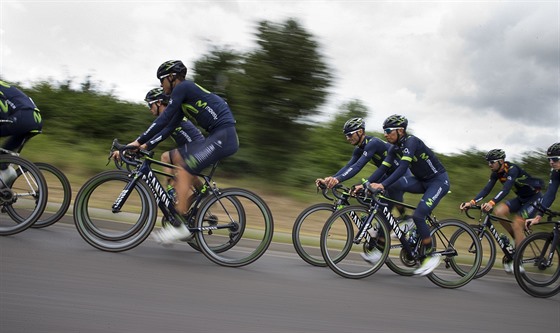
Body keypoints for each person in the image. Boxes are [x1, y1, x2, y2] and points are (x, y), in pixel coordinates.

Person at [127, 60, 239, 244]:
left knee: (185, 170)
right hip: (218, 135)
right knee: (181, 164)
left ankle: (180, 226)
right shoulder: (183, 98)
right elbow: (166, 126)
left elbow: (162, 121)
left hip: (223, 136)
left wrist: (138, 141)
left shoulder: (183, 87)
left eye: (161, 80)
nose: (161, 86)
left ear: (171, 77)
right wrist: (143, 145)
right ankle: (188, 210)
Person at [358, 114, 450, 276]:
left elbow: (401, 168)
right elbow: (383, 169)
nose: (385, 134)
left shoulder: (411, 142)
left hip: (438, 181)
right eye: (384, 131)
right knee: (391, 189)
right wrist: (365, 184)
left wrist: (381, 184)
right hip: (421, 180)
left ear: (400, 130)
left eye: (388, 131)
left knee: (419, 215)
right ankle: (381, 245)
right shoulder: (394, 148)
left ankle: (430, 255)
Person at [459, 149, 543, 272]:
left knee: (517, 223)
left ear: (501, 161)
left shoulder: (512, 169)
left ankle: (518, 260)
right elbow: (486, 189)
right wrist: (471, 202)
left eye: (492, 162)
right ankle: (516, 239)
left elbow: (506, 189)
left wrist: (491, 202)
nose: (489, 165)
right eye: (488, 162)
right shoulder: (495, 173)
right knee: (499, 211)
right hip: (521, 198)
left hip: (534, 198)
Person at [316, 117, 407, 215]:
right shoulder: (358, 149)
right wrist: (331, 179)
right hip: (386, 174)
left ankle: (400, 218)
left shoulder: (373, 143)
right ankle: (376, 217)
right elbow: (349, 166)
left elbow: (358, 166)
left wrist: (338, 179)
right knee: (360, 191)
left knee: (386, 206)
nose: (347, 138)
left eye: (350, 134)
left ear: (360, 132)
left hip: (401, 174)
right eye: (346, 135)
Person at [141, 87, 205, 197]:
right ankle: (203, 193)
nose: (149, 109)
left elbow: (160, 136)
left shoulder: (170, 115)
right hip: (189, 149)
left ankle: (178, 194)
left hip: (197, 148)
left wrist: (144, 146)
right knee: (166, 157)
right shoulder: (166, 117)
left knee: (181, 174)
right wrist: (139, 145)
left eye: (150, 105)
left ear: (159, 102)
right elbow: (152, 134)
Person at [0, 80, 42, 186]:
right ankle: (5, 174)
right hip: (35, 119)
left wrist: (3, 118)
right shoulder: (5, 86)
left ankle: (6, 172)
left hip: (22, 118)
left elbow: (2, 105)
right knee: (3, 156)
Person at [525, 143, 560, 228]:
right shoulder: (556, 172)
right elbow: (550, 194)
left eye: (554, 159)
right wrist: (538, 216)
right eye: (549, 160)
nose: (551, 162)